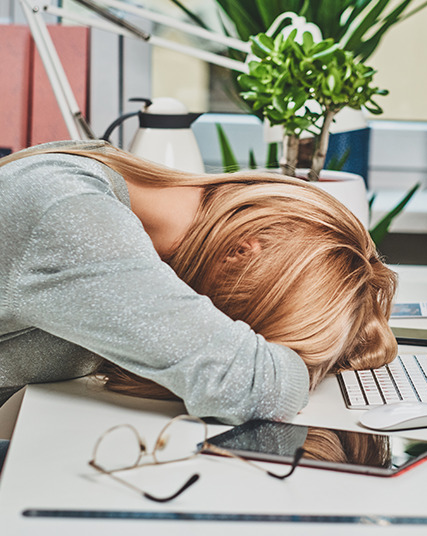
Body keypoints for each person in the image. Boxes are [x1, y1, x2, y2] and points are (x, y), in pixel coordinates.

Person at [0, 140, 397, 427]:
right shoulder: (73, 214)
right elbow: (251, 385)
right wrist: (308, 367)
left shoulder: (122, 203)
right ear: (242, 252)